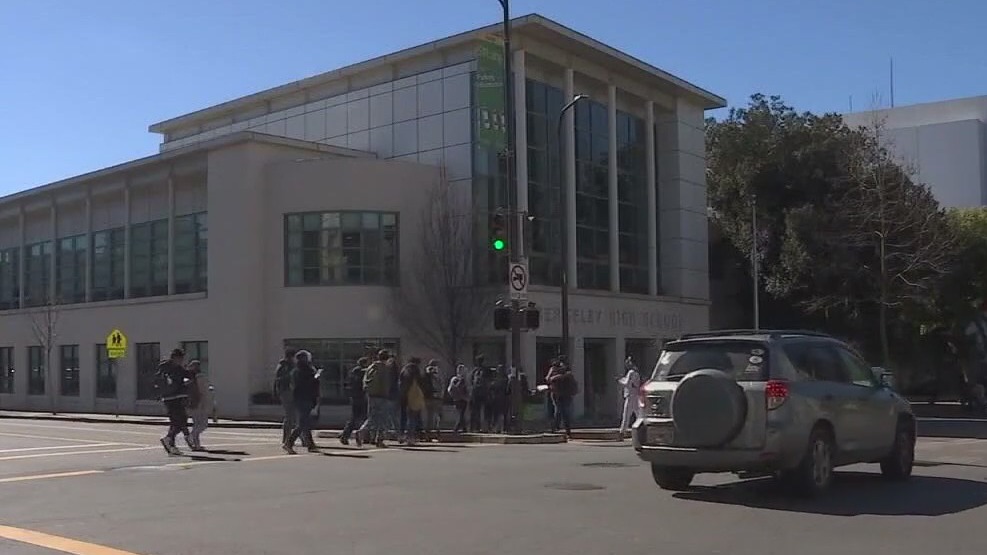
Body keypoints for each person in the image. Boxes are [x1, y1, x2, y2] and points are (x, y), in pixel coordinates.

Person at [283, 350, 320, 454]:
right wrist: (315, 377)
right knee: (303, 423)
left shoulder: (297, 370)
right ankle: (289, 443)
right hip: (304, 398)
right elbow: (307, 384)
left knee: (306, 423)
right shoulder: (303, 371)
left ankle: (311, 445)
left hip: (301, 398)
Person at [156, 348, 192, 455]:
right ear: (176, 358)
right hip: (175, 397)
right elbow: (186, 376)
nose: (181, 361)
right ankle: (168, 439)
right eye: (181, 358)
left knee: (176, 421)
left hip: (168, 397)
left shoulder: (163, 367)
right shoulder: (176, 369)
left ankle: (171, 445)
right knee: (181, 420)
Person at [358, 350, 393, 447]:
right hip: (382, 396)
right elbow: (386, 383)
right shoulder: (385, 368)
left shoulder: (371, 367)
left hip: (371, 395)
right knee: (382, 418)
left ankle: (362, 431)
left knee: (372, 417)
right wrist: (387, 393)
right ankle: (379, 439)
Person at [340, 357, 370, 445]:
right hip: (362, 397)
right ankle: (365, 437)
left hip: (354, 397)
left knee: (354, 418)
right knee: (366, 418)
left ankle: (345, 436)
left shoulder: (353, 373)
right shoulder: (363, 372)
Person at [399, 357, 427, 446]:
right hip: (413, 396)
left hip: (403, 396)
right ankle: (410, 437)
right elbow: (421, 383)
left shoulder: (403, 370)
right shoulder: (415, 371)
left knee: (403, 417)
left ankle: (401, 435)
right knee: (413, 418)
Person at [547, 357, 577, 437]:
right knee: (558, 411)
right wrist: (557, 376)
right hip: (557, 393)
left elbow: (569, 377)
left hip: (566, 394)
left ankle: (567, 430)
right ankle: (555, 428)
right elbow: (548, 378)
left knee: (566, 412)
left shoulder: (567, 371)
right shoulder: (554, 369)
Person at [274, 347, 298, 446]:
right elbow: (279, 379)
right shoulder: (284, 366)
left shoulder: (291, 365)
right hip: (286, 391)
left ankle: (293, 438)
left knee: (295, 416)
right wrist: (291, 374)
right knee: (290, 416)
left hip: (291, 391)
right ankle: (286, 438)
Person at [186, 360, 212, 451]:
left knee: (197, 424)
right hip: (199, 403)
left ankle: (196, 445)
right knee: (202, 424)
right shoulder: (199, 378)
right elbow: (203, 392)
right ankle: (190, 437)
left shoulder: (190, 379)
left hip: (193, 403)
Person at [617, 356, 642, 439]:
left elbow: (627, 383)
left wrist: (619, 381)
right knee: (638, 415)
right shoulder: (636, 373)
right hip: (635, 395)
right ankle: (640, 432)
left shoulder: (631, 372)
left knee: (626, 415)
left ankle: (622, 433)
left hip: (630, 396)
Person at [423, 360, 444, 442]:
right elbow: (441, 385)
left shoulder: (425, 374)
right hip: (436, 398)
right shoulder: (437, 374)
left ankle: (427, 434)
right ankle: (438, 434)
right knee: (438, 416)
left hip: (427, 398)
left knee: (429, 417)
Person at [505, 366, 529, 433]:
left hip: (513, 398)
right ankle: (516, 427)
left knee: (512, 413)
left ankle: (513, 428)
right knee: (518, 413)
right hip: (519, 397)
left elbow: (507, 390)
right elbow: (526, 388)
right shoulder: (522, 377)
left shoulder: (511, 378)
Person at [447, 364, 470, 433]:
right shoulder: (460, 379)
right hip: (462, 399)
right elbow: (463, 389)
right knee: (461, 414)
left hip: (457, 399)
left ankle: (464, 428)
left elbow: (450, 389)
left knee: (461, 413)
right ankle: (456, 428)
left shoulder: (453, 379)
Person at [469, 355, 487, 432]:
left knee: (482, 411)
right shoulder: (474, 371)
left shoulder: (484, 370)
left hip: (482, 393)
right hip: (475, 393)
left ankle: (482, 426)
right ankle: (475, 427)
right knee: (475, 411)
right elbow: (470, 381)